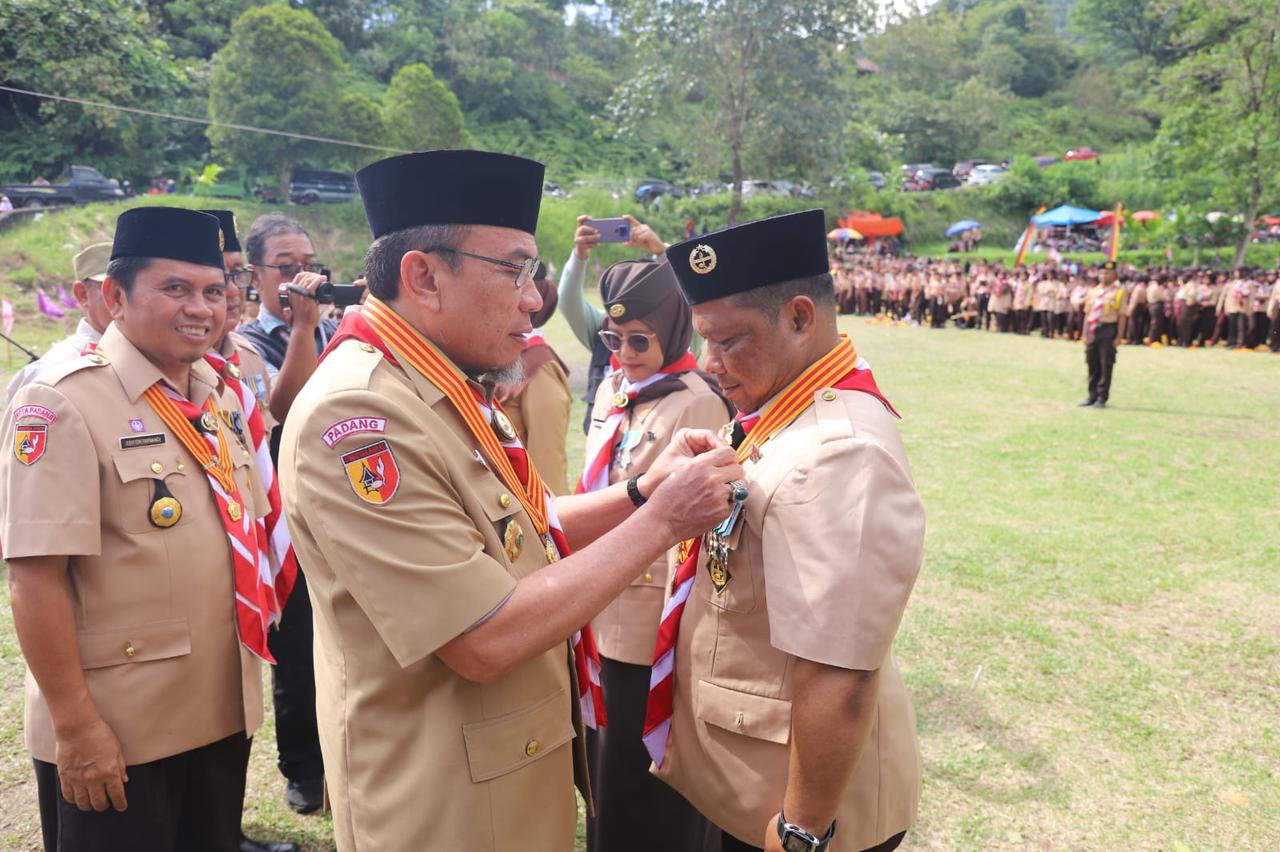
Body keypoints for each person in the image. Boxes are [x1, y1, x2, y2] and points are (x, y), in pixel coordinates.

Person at [277, 149, 743, 851]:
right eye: (518, 270)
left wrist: (643, 489)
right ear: (424, 276)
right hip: (444, 806)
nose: (534, 298)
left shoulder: (437, 382)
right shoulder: (359, 417)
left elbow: (527, 528)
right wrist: (662, 520)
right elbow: (483, 637)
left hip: (503, 773)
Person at [2, 207, 279, 851]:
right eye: (175, 288)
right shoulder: (61, 400)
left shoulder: (217, 392)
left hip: (216, 712)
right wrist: (76, 729)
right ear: (116, 296)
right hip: (119, 729)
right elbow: (34, 579)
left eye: (214, 290)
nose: (201, 308)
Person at [650, 210, 925, 852]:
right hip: (755, 785)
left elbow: (840, 669)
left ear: (801, 317)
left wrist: (801, 831)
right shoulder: (780, 407)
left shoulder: (839, 450)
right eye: (704, 341)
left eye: (730, 341)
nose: (711, 364)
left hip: (796, 812)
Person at [579, 258, 731, 852]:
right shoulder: (617, 388)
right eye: (611, 339)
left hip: (651, 623)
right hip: (594, 603)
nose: (623, 352)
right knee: (605, 778)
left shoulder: (697, 401)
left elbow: (699, 532)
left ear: (673, 329)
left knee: (649, 784)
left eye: (639, 339)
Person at [235, 213, 333, 813]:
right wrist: (303, 328)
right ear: (256, 274)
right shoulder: (248, 341)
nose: (301, 277)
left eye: (309, 264)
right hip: (285, 513)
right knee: (295, 646)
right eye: (286, 267)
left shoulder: (337, 325)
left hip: (341, 503)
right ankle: (302, 768)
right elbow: (280, 410)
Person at [6, 242, 115, 401]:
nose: (125, 299)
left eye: (133, 288)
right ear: (82, 295)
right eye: (111, 291)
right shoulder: (52, 372)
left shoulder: (149, 356)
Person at [496, 273, 573, 495]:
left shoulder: (540, 367)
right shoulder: (494, 358)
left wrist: (553, 521)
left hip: (529, 508)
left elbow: (547, 457)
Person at [1080, 261, 1124, 408]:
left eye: (1108, 273)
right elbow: (1087, 314)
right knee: (1091, 362)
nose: (1104, 275)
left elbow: (1122, 316)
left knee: (1106, 364)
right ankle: (1091, 395)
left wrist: (1119, 336)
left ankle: (1102, 397)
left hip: (1108, 329)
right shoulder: (1092, 291)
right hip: (1093, 329)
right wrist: (1084, 333)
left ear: (1115, 275)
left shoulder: (1119, 292)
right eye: (1102, 272)